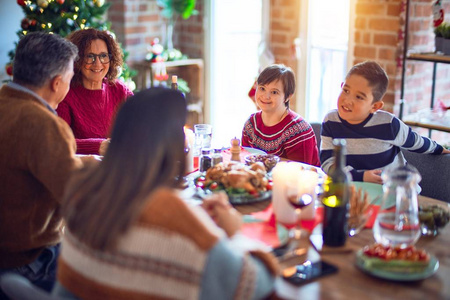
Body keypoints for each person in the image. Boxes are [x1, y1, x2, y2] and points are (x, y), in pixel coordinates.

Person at [53, 88, 278, 300]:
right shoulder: (180, 225)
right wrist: (232, 233)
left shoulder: (83, 199)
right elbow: (258, 284)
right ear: (174, 149)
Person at [0, 32, 83, 294]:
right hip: (27, 259)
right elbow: (79, 199)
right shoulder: (45, 125)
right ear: (57, 83)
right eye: (70, 78)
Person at [320, 60, 450, 183]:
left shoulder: (388, 124)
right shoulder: (330, 121)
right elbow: (327, 162)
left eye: (359, 97)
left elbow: (415, 141)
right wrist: (361, 176)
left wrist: (439, 149)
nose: (347, 100)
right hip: (352, 188)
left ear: (375, 106)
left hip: (393, 188)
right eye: (346, 90)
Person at [56, 28, 134, 155]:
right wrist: (98, 146)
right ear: (77, 60)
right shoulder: (65, 94)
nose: (98, 63)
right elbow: (58, 141)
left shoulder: (119, 89)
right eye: (90, 56)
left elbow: (143, 118)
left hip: (119, 165)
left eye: (103, 56)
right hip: (83, 169)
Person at [241, 64, 320, 166]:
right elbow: (245, 161)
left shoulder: (298, 130)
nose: (266, 96)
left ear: (287, 96)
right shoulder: (251, 124)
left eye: (274, 92)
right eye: (262, 88)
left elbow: (300, 171)